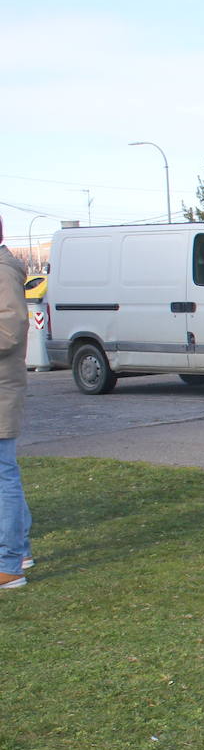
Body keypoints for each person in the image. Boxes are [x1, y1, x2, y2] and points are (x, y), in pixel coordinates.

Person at [1, 215, 34, 590]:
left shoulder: (3, 271)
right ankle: (18, 549)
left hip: (1, 389)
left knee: (3, 474)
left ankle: (9, 563)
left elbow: (10, 330)